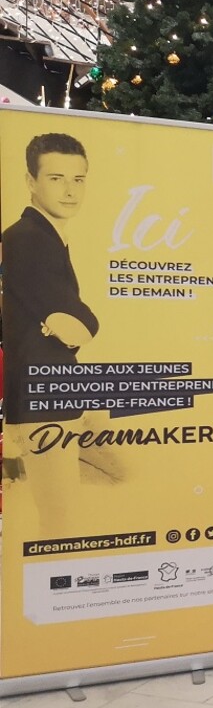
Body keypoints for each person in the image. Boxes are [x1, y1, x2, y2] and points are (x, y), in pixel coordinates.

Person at [3, 133, 102, 536]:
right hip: (42, 398)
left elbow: (79, 324)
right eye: (57, 178)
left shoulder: (48, 237)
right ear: (31, 181)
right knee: (58, 514)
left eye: (78, 179)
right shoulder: (26, 239)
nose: (69, 190)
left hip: (55, 392)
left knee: (63, 507)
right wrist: (74, 324)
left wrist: (77, 324)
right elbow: (76, 322)